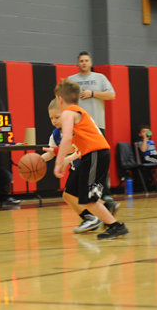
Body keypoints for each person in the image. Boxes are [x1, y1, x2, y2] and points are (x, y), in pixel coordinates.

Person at [53, 80, 128, 240]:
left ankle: (115, 226)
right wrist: (59, 153)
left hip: (95, 154)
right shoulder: (78, 112)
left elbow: (66, 139)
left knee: (88, 198)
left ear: (60, 99)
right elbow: (75, 143)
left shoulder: (67, 113)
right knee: (70, 193)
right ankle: (105, 208)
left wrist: (58, 163)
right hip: (93, 155)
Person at [66, 51, 118, 207]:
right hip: (78, 128)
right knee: (80, 160)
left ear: (90, 63)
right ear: (77, 63)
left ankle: (105, 192)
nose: (84, 63)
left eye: (86, 60)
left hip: (97, 126)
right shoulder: (71, 80)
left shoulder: (100, 78)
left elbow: (112, 95)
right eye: (81, 60)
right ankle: (81, 191)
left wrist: (93, 93)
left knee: (100, 162)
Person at [40, 99, 98, 232]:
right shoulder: (55, 134)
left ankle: (94, 218)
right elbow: (52, 152)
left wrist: (68, 158)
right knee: (69, 196)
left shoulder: (76, 128)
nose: (54, 121)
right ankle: (96, 215)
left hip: (88, 163)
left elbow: (82, 147)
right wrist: (39, 160)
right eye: (51, 118)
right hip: (76, 167)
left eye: (57, 117)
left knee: (83, 196)